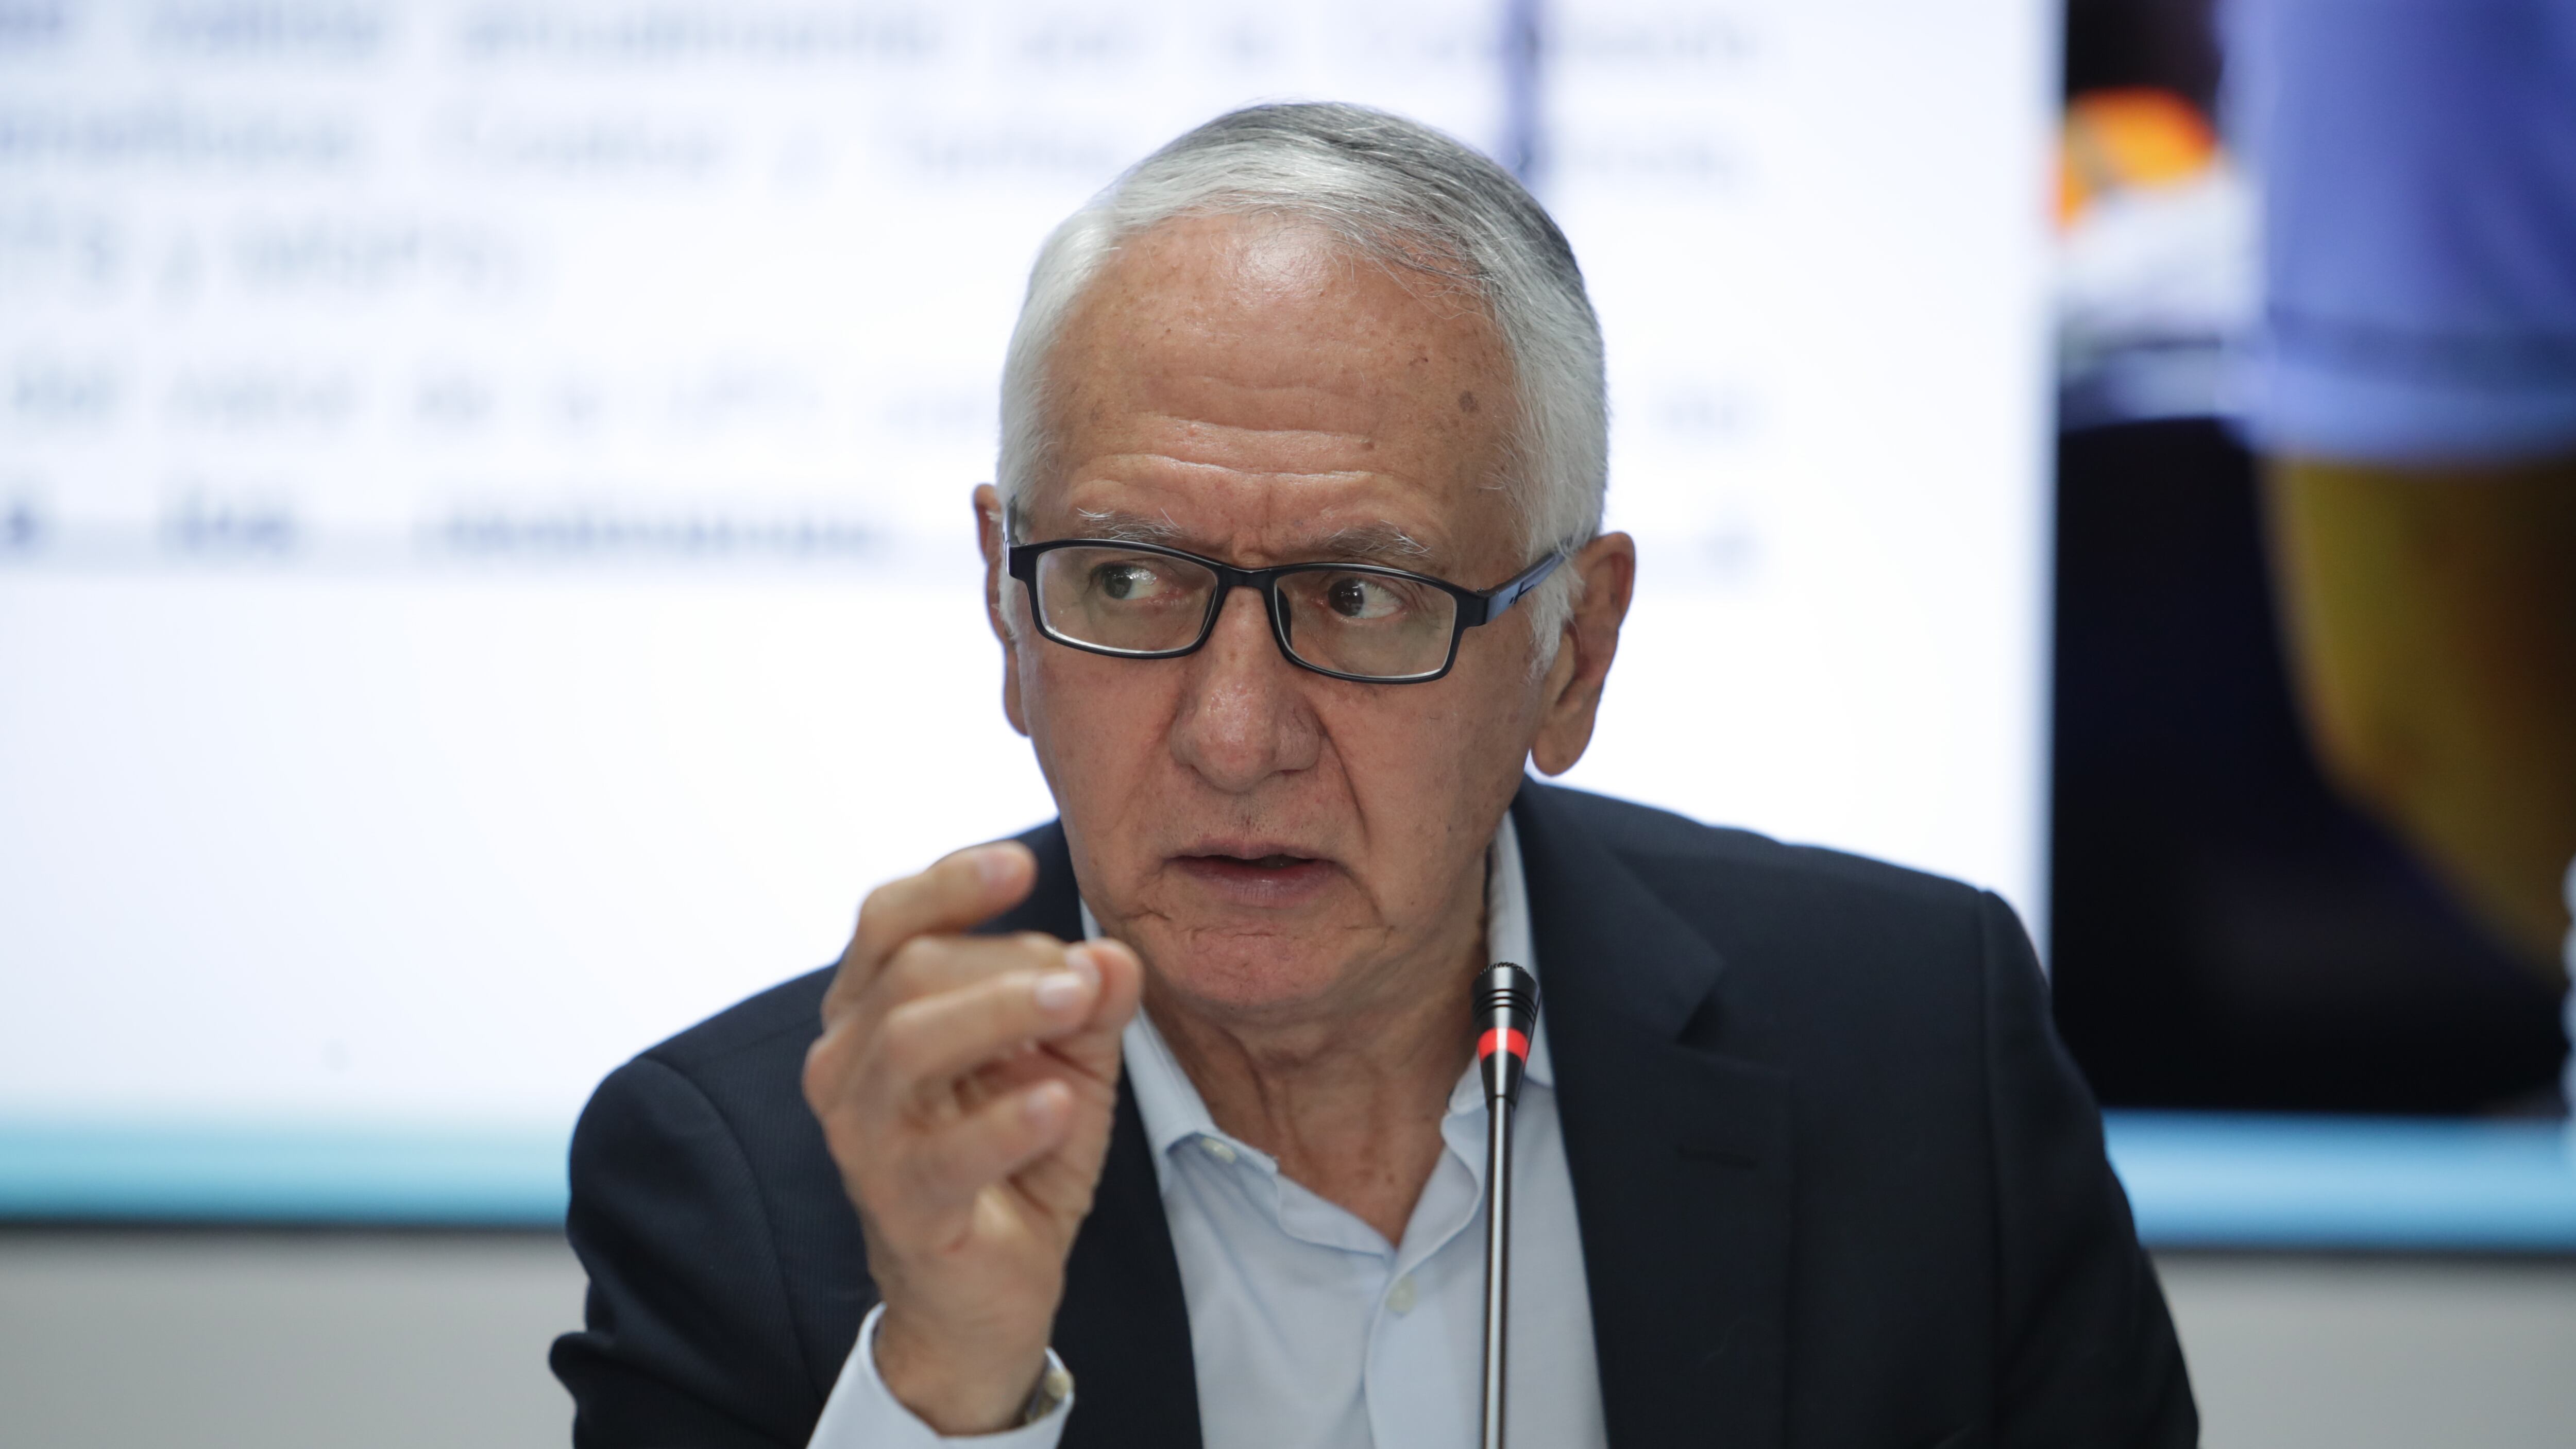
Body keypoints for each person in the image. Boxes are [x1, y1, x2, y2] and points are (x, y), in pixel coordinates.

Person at [550, 103, 2195, 1448]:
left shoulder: (1918, 1059)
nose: (1236, 735)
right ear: (1005, 603)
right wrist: (941, 1395)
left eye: (1361, 596)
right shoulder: (751, 1184)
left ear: (1574, 649)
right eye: (1125, 580)